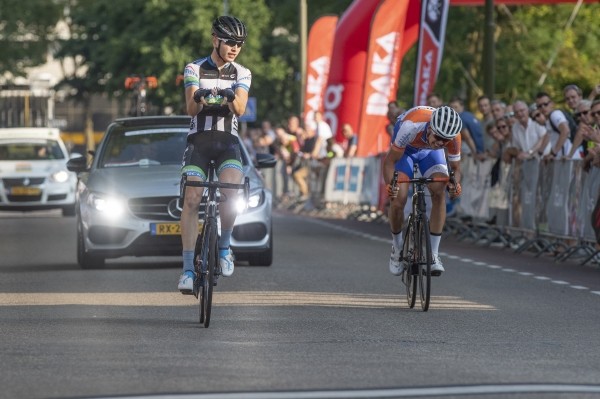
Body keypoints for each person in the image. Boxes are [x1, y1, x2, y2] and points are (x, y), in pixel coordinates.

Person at [178, 15, 251, 293]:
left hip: (227, 143)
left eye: (239, 44)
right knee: (192, 198)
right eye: (230, 42)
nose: (234, 48)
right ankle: (186, 270)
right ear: (215, 40)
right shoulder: (194, 68)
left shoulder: (242, 72)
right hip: (198, 142)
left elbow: (241, 109)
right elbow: (191, 109)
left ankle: (223, 247)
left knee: (232, 191)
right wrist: (198, 96)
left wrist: (230, 95)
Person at [383, 106, 463, 277]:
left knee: (438, 190)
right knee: (399, 199)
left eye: (446, 140)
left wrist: (454, 184)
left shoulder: (454, 136)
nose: (442, 143)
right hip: (407, 151)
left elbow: (455, 169)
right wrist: (390, 185)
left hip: (429, 154)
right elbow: (390, 162)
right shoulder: (411, 126)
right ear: (431, 128)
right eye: (439, 137)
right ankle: (397, 249)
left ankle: (433, 254)